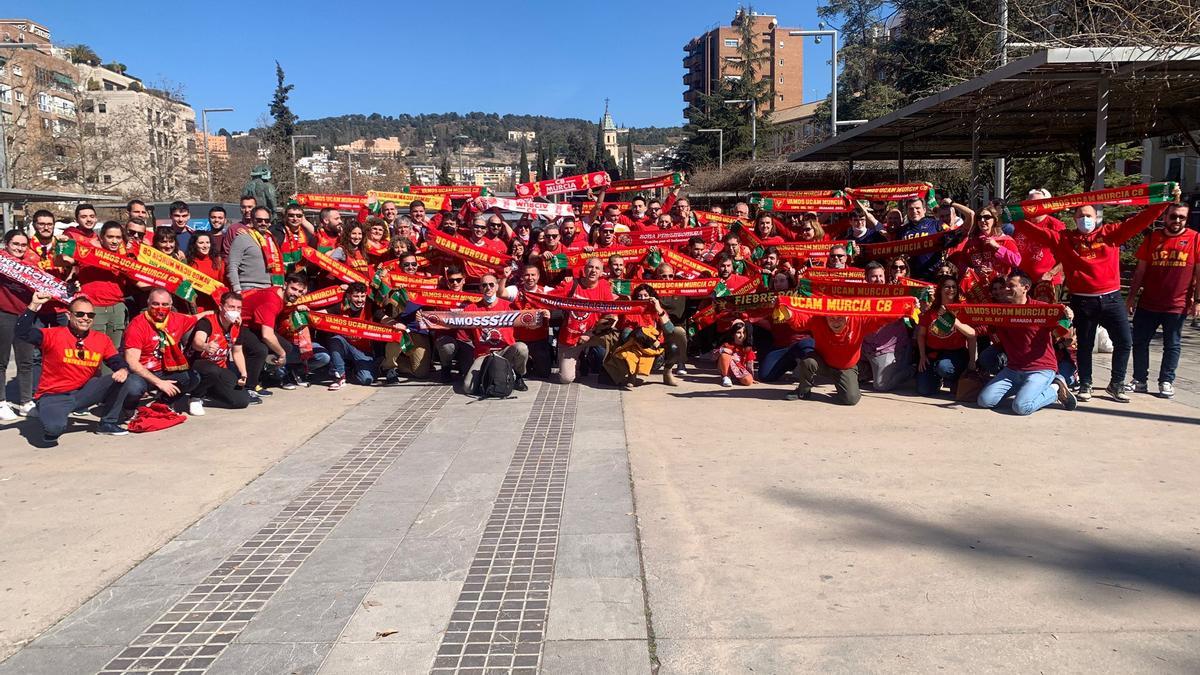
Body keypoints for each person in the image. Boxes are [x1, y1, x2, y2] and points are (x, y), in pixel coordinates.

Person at [1012, 200, 1169, 402]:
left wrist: (1163, 204)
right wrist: (1013, 216)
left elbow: (1140, 221)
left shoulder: (1110, 233)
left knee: (1124, 341)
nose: (1084, 219)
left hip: (1111, 298)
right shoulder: (1064, 239)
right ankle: (1085, 382)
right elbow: (1035, 232)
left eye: (1088, 216)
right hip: (1083, 301)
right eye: (1080, 216)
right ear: (1074, 219)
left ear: (1097, 218)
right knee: (1084, 345)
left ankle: (1117, 383)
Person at [17, 293, 129, 442]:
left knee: (126, 378)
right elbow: (22, 333)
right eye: (80, 314)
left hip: (84, 393)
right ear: (69, 315)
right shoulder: (53, 334)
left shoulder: (101, 339)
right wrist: (33, 305)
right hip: (54, 395)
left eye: (90, 314)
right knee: (53, 430)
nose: (85, 318)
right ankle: (48, 412)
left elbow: (116, 361)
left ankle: (108, 423)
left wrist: (122, 369)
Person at [976, 272, 1077, 415]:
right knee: (984, 401)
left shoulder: (1042, 309)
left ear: (1026, 287)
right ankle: (1027, 389)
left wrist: (1067, 317)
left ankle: (1055, 388)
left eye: (1011, 286)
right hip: (1013, 369)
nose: (1006, 289)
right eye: (1006, 286)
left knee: (1021, 407)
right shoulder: (1001, 312)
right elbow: (975, 332)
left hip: (1041, 369)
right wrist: (952, 320)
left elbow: (1063, 332)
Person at [1126, 202, 1199, 398]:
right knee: (1140, 342)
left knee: (1172, 344)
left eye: (1181, 217)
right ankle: (1139, 380)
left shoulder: (1195, 239)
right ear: (1165, 217)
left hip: (1177, 304)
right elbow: (1140, 270)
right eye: (1173, 216)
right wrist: (1131, 298)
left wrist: (1198, 301)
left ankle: (1166, 381)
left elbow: (1199, 273)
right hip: (1149, 302)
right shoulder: (1152, 238)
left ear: (1187, 218)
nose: (1177, 220)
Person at [111, 287, 200, 419]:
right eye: (155, 304)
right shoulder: (137, 325)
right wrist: (159, 383)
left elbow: (198, 317)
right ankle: (128, 409)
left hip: (165, 369)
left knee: (193, 378)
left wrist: (221, 312)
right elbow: (133, 363)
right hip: (140, 372)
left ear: (171, 305)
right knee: (133, 387)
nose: (160, 308)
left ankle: (161, 404)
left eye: (165, 304)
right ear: (148, 304)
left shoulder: (176, 319)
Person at [59, 221, 129, 347]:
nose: (114, 241)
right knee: (92, 349)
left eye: (118, 237)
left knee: (113, 351)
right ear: (101, 238)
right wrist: (59, 245)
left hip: (116, 308)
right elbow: (61, 261)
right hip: (92, 308)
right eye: (110, 237)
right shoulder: (86, 251)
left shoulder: (126, 257)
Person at [459, 274, 530, 394]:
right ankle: (486, 376)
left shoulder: (509, 306)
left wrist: (542, 316)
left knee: (522, 348)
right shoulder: (471, 309)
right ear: (480, 288)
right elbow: (459, 329)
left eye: (491, 284)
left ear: (497, 287)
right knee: (468, 388)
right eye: (484, 285)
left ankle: (518, 376)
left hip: (505, 351)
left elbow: (528, 320)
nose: (488, 288)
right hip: (483, 354)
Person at [555, 257, 618, 384]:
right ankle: (579, 361)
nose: (593, 271)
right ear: (584, 269)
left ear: (601, 273)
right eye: (590, 267)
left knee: (616, 338)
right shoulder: (571, 284)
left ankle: (612, 370)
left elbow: (611, 316)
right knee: (565, 379)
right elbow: (548, 297)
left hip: (593, 334)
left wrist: (590, 333)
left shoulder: (604, 287)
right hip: (571, 336)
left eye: (597, 268)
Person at [916, 275, 978, 396]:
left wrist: (972, 362)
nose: (951, 290)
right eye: (947, 287)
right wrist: (922, 356)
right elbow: (921, 335)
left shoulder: (962, 309)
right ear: (940, 289)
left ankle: (953, 378)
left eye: (954, 287)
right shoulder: (931, 310)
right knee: (924, 390)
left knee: (944, 368)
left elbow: (972, 334)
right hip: (933, 354)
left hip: (955, 353)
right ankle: (937, 379)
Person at [605, 284, 675, 388]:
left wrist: (658, 308)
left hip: (657, 352)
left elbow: (670, 329)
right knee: (636, 335)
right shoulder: (631, 310)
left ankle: (667, 373)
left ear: (651, 297)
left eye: (646, 295)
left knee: (675, 344)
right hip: (636, 349)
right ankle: (632, 375)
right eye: (639, 296)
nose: (642, 298)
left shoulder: (656, 309)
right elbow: (625, 335)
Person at [190, 292, 251, 412]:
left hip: (220, 366)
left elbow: (237, 352)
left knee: (241, 401)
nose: (235, 311)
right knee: (211, 370)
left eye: (238, 308)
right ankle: (195, 397)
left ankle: (208, 392)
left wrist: (243, 373)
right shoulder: (208, 322)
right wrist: (205, 346)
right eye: (231, 307)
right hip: (197, 363)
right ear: (221, 307)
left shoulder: (237, 326)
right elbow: (197, 342)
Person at [859, 262, 914, 392]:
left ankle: (910, 370)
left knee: (881, 385)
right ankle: (868, 372)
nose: (878, 280)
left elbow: (911, 318)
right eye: (874, 276)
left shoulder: (896, 293)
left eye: (880, 276)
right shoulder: (859, 294)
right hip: (865, 347)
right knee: (850, 375)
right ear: (866, 278)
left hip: (887, 348)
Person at [0, 230, 37, 419]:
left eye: (23, 245)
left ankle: (25, 402)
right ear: (6, 243)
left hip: (26, 316)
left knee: (26, 361)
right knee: (2, 361)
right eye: (15, 244)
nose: (19, 248)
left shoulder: (31, 266)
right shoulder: (1, 262)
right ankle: (1, 403)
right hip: (4, 315)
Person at [325, 282, 382, 389]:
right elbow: (321, 314)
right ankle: (340, 377)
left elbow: (384, 318)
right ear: (348, 296)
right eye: (356, 296)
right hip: (345, 346)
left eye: (362, 296)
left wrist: (394, 323)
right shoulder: (340, 306)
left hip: (364, 352)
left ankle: (354, 369)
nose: (360, 300)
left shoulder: (371, 306)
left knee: (366, 380)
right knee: (336, 340)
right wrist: (306, 310)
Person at [226, 207, 278, 294]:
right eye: (259, 220)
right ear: (252, 220)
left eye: (267, 220)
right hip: (248, 287)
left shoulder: (271, 240)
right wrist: (237, 289)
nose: (263, 223)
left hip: (270, 287)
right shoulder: (242, 239)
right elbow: (232, 266)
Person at [896, 198, 944, 279]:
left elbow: (952, 232)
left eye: (917, 208)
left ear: (924, 210)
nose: (914, 211)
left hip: (933, 276)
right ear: (907, 211)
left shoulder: (936, 224)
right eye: (911, 209)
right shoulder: (901, 231)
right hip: (910, 277)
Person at [716, 318, 756, 387]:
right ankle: (726, 377)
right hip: (727, 369)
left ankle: (737, 379)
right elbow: (714, 355)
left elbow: (750, 364)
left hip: (739, 370)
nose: (742, 335)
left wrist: (751, 377)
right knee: (725, 354)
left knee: (748, 382)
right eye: (738, 332)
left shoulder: (747, 348)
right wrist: (722, 350)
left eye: (744, 332)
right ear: (733, 334)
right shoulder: (727, 344)